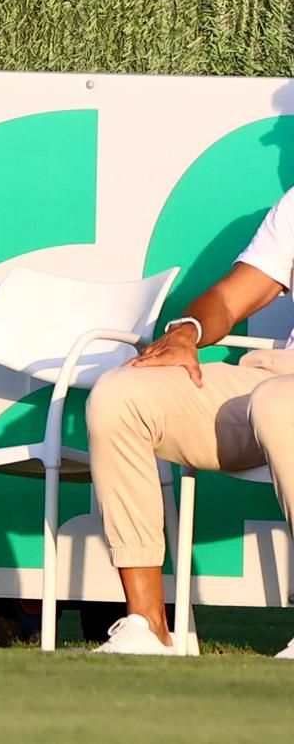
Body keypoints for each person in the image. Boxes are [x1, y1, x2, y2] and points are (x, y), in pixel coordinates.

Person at [87, 190, 294, 656]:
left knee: (279, 404)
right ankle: (148, 628)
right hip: (278, 380)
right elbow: (229, 297)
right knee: (120, 396)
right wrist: (188, 333)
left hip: (282, 401)